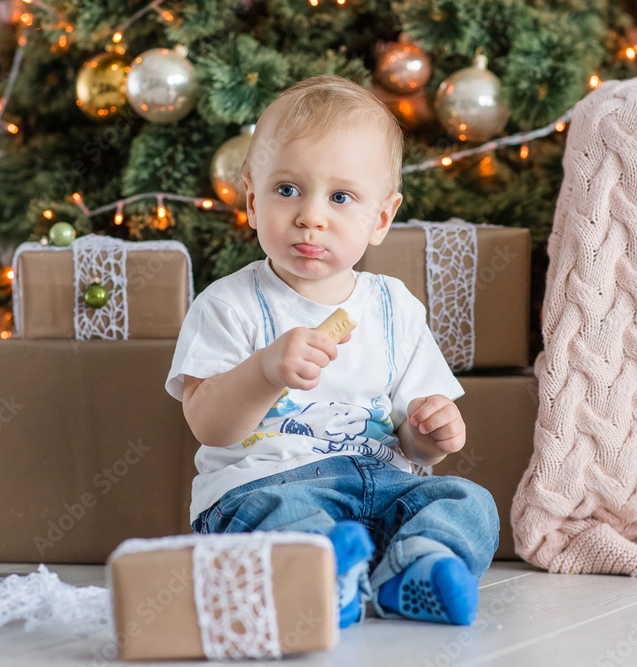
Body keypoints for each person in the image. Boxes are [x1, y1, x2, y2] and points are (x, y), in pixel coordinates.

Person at [165, 75, 498, 628]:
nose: (311, 216)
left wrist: (430, 434)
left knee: (467, 500)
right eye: (287, 190)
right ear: (252, 200)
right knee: (275, 513)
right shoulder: (227, 304)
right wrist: (266, 370)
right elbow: (208, 425)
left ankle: (414, 568)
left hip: (384, 488)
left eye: (340, 197)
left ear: (380, 219)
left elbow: (412, 437)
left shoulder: (394, 307)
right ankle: (319, 577)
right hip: (270, 485)